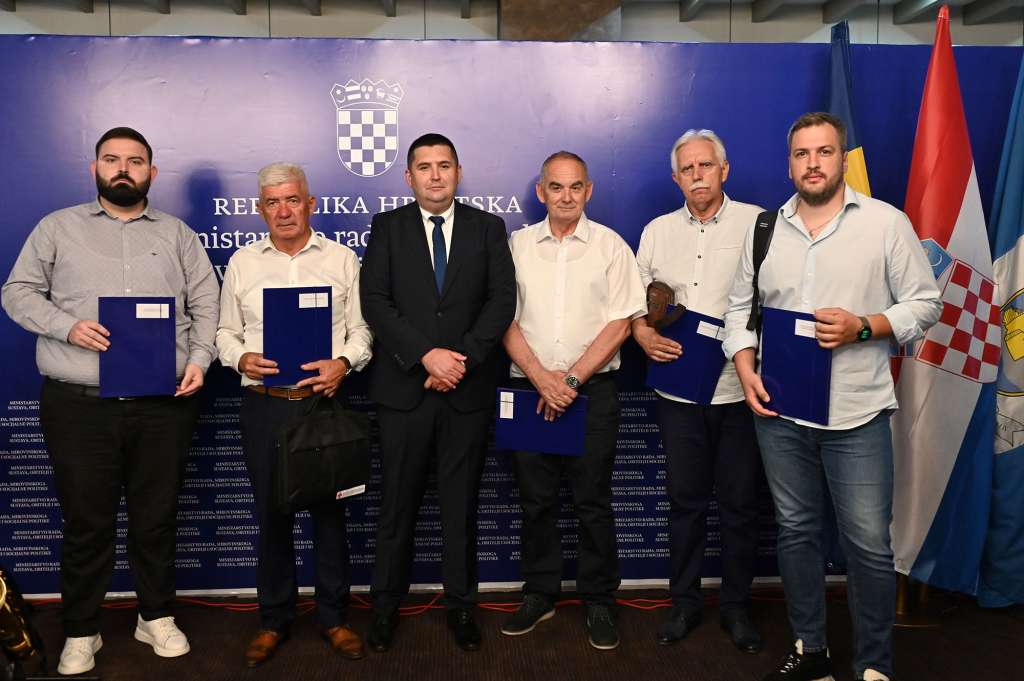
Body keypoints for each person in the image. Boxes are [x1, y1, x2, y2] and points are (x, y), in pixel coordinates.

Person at [722, 112, 942, 681]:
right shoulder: (765, 229)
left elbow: (926, 305)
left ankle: (873, 664)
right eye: (802, 154)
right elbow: (739, 312)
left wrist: (864, 327)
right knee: (796, 533)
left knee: (867, 545)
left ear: (842, 159)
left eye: (823, 152)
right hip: (779, 411)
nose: (813, 163)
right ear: (789, 163)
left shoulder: (885, 223)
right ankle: (811, 650)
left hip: (857, 413)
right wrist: (745, 369)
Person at [1, 127, 219, 676]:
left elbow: (206, 303)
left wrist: (200, 359)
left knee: (156, 518)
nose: (123, 169)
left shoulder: (178, 235)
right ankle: (81, 629)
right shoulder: (57, 228)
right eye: (112, 159)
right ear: (95, 168)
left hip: (162, 403)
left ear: (152, 172)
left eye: (135, 161)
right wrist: (67, 326)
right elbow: (17, 292)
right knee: (86, 522)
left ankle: (156, 616)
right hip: (80, 404)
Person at [359, 133, 516, 653]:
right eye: (424, 167)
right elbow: (375, 302)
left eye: (444, 165)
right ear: (409, 177)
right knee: (396, 509)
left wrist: (459, 361)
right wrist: (426, 355)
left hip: (465, 393)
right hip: (404, 391)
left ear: (458, 172)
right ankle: (385, 608)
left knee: (460, 509)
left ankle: (462, 607)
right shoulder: (387, 227)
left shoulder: (488, 228)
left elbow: (501, 303)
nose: (435, 175)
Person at [215, 163, 372, 668]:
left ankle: (334, 618)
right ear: (260, 209)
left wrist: (344, 362)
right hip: (265, 406)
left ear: (310, 204)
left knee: (330, 516)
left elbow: (362, 330)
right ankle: (273, 620)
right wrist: (239, 357)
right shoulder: (242, 263)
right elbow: (223, 333)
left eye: (292, 200)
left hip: (322, 405)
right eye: (272, 202)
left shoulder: (342, 259)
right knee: (272, 517)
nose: (283, 211)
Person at [499, 151, 645, 650]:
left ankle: (598, 600)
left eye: (575, 187)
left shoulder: (611, 246)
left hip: (592, 391)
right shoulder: (516, 246)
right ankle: (539, 593)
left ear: (589, 191)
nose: (566, 196)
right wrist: (542, 379)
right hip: (529, 388)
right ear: (541, 192)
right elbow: (502, 319)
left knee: (592, 502)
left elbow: (622, 322)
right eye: (556, 187)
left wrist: (572, 380)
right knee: (535, 501)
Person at [633, 129, 764, 653]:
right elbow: (632, 299)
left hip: (741, 391)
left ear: (723, 170)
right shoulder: (657, 231)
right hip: (679, 395)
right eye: (687, 169)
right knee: (685, 503)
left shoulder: (758, 223)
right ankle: (684, 603)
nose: (697, 176)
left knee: (740, 505)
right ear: (676, 178)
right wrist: (642, 333)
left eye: (705, 166)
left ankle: (736, 608)